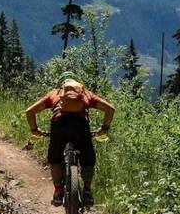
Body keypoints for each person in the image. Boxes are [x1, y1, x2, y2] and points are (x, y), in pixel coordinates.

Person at [25, 72, 115, 207]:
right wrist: (104, 128)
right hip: (81, 127)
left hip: (59, 125)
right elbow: (110, 109)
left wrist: (35, 130)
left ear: (62, 87)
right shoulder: (86, 94)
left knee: (55, 158)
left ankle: (58, 192)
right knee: (88, 159)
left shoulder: (54, 95)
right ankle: (87, 191)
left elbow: (29, 111)